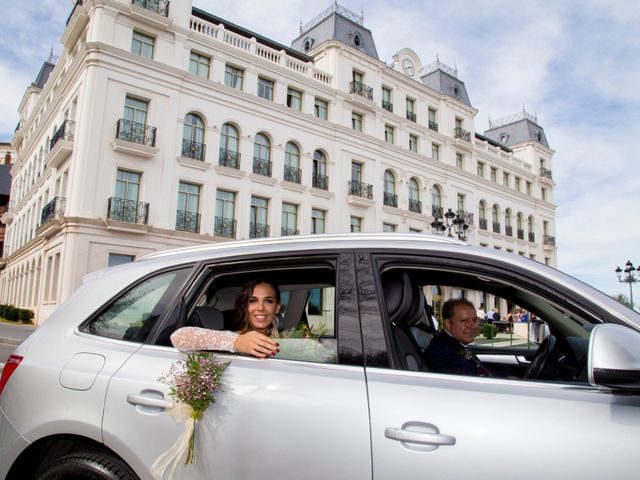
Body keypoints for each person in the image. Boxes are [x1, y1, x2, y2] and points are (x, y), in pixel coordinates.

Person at [170, 279, 280, 358]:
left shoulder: (290, 337)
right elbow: (177, 337)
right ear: (245, 306)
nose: (260, 308)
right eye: (253, 301)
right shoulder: (237, 338)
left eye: (268, 301)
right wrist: (236, 342)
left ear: (277, 307)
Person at [423, 298, 491, 376]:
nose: (473, 326)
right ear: (448, 324)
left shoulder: (453, 344)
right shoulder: (443, 356)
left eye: (474, 320)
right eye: (464, 321)